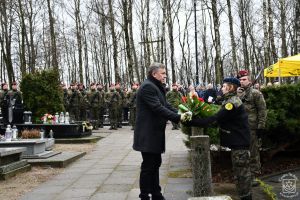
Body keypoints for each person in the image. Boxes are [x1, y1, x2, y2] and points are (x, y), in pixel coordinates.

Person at [185, 77, 252, 200]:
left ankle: (246, 197)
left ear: (230, 87)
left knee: (242, 176)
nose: (221, 88)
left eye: (223, 86)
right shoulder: (229, 100)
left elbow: (214, 119)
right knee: (240, 175)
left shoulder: (231, 104)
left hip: (240, 144)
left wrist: (192, 122)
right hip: (238, 143)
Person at [133, 62, 190, 200]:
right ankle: (145, 195)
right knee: (148, 166)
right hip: (148, 133)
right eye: (163, 73)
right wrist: (178, 117)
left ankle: (156, 193)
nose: (165, 76)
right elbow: (157, 108)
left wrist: (181, 111)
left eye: (165, 73)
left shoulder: (156, 86)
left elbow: (166, 105)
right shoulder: (148, 87)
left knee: (155, 164)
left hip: (154, 133)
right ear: (154, 74)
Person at [237, 70, 267, 187]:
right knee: (242, 152)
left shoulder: (256, 93)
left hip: (252, 127)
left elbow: (262, 110)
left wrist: (261, 126)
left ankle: (254, 175)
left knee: (253, 152)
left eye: (244, 79)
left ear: (249, 80)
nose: (241, 81)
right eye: (240, 80)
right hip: (241, 127)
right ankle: (244, 174)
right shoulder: (238, 93)